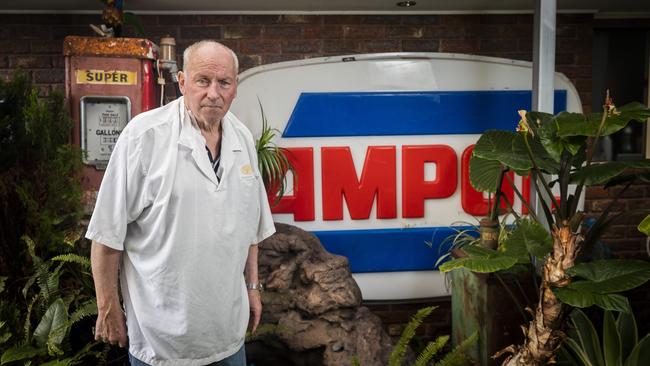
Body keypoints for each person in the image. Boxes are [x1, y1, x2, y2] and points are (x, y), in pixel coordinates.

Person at [86, 40, 275, 366]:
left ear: (235, 87)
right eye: (203, 81)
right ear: (183, 82)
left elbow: (251, 227)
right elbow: (106, 235)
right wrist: (108, 308)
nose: (213, 93)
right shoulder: (144, 137)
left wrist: (253, 287)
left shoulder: (242, 138)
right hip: (161, 341)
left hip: (228, 334)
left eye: (224, 83)